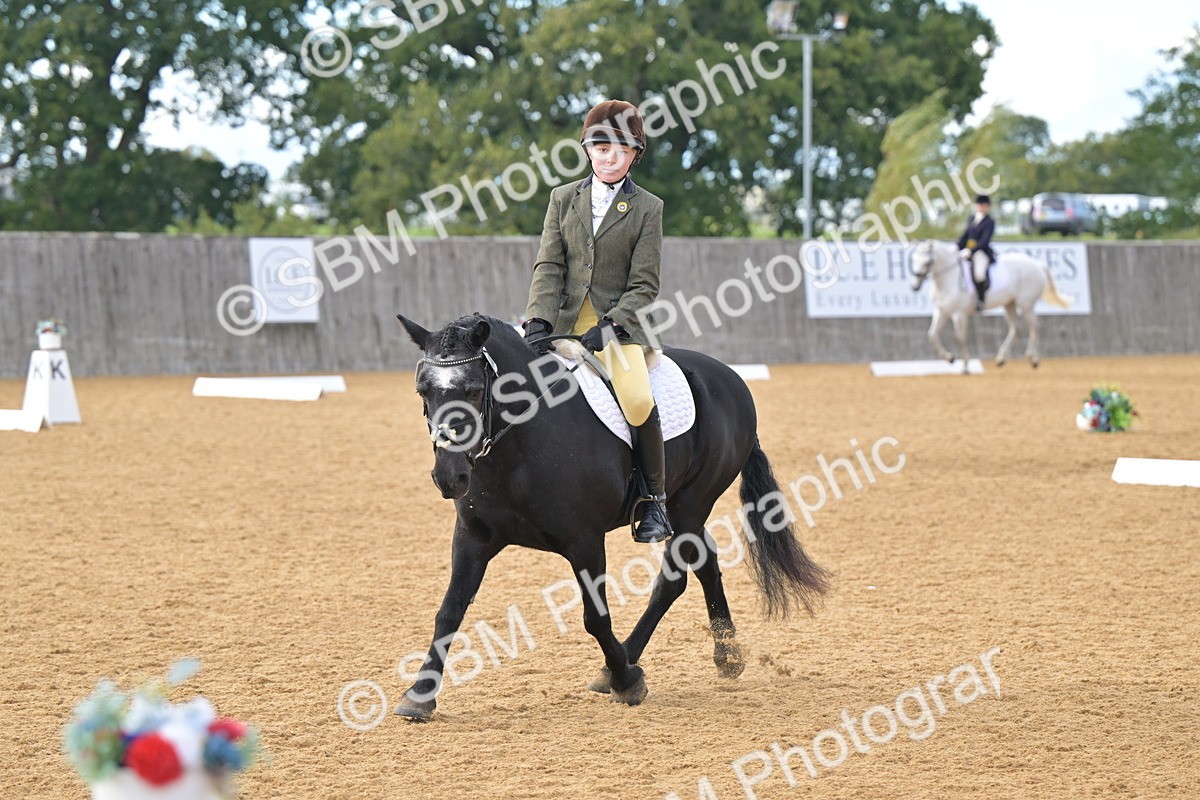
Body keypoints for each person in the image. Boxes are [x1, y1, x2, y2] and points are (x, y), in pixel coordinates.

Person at [522, 100, 671, 544]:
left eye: (620, 150)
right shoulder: (562, 198)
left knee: (638, 398)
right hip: (562, 318)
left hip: (617, 326)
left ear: (635, 155)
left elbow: (645, 284)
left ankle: (653, 502)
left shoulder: (648, 208)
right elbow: (549, 265)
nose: (609, 157)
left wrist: (613, 324)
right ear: (587, 149)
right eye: (601, 148)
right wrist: (537, 320)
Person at [957, 194, 996, 311]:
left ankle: (981, 300)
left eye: (984, 205)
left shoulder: (990, 221)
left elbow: (985, 240)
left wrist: (971, 251)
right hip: (968, 250)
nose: (981, 207)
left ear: (987, 207)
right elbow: (965, 235)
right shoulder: (972, 218)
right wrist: (957, 246)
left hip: (981, 252)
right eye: (979, 205)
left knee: (979, 274)